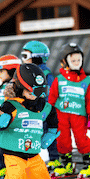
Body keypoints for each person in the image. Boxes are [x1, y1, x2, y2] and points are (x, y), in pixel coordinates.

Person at [47, 43, 90, 178]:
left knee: (81, 139)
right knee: (62, 139)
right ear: (65, 62)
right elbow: (52, 97)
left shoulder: (86, 81)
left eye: (78, 60)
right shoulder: (59, 80)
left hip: (78, 115)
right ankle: (67, 164)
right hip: (61, 114)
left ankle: (89, 164)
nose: (76, 63)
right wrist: (48, 112)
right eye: (73, 60)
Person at [21, 40, 59, 170]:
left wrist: (46, 109)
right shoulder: (27, 72)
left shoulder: (46, 74)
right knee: (30, 135)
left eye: (26, 56)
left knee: (48, 133)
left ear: (37, 58)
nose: (23, 59)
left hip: (43, 110)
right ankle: (29, 161)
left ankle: (55, 158)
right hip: (31, 110)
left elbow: (50, 93)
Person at [0, 55, 22, 179]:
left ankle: (15, 169)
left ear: (12, 71)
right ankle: (2, 167)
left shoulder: (15, 88)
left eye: (1, 71)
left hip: (11, 125)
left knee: (11, 148)